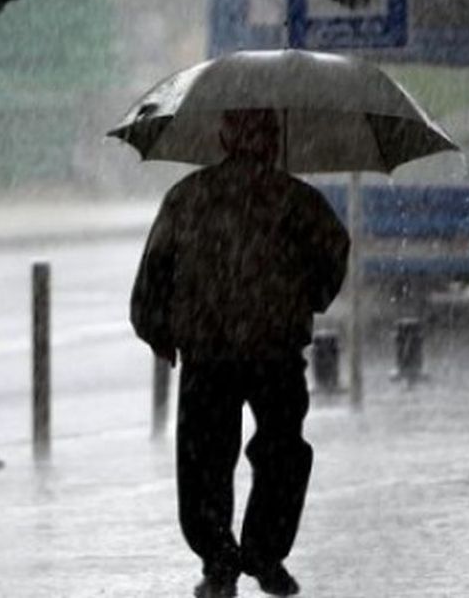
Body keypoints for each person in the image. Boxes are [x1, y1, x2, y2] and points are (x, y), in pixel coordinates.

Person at [130, 109, 350, 598]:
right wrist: (305, 298)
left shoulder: (188, 197)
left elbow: (154, 272)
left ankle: (221, 561)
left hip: (211, 352)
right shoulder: (297, 200)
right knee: (280, 454)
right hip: (273, 350)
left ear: (223, 136)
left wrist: (158, 330)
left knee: (206, 459)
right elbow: (333, 255)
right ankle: (263, 555)